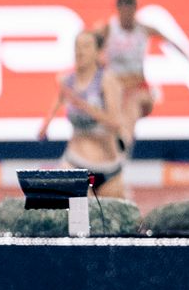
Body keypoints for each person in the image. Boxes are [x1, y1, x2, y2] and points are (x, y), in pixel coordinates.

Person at [90, 0, 189, 152]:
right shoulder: (108, 29)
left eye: (130, 9)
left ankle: (124, 141)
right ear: (118, 9)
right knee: (113, 116)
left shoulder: (144, 30)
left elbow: (172, 44)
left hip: (138, 87)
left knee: (132, 107)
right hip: (115, 88)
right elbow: (89, 48)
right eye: (123, 10)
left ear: (135, 9)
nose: (127, 15)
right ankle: (113, 148)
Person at [38, 30, 126, 198]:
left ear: (96, 52)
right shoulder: (68, 80)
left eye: (86, 46)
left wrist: (83, 105)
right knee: (76, 219)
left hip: (107, 168)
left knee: (111, 221)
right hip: (75, 162)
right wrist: (46, 124)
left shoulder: (107, 81)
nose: (80, 51)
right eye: (77, 46)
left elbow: (115, 123)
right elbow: (59, 100)